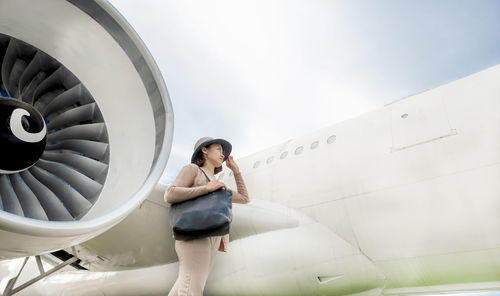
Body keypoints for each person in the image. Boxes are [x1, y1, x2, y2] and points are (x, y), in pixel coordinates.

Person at [164, 136, 250, 296]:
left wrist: (236, 172)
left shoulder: (218, 184)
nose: (222, 154)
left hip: (213, 235)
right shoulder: (193, 170)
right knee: (191, 288)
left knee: (185, 287)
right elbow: (170, 194)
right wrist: (206, 189)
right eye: (218, 149)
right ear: (204, 150)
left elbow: (245, 198)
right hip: (195, 234)